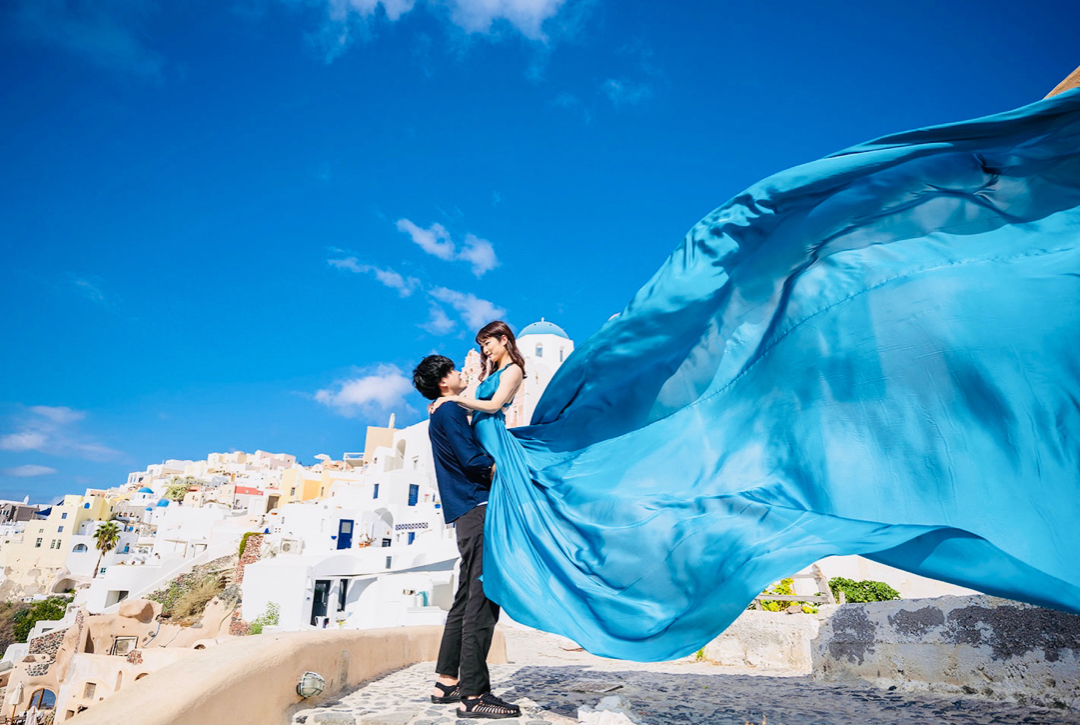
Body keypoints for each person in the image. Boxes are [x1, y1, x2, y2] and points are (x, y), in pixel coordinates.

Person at [438, 90, 1080, 664]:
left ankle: (460, 678)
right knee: (481, 587)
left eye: (493, 339)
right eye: (483, 343)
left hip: (516, 460)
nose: (489, 347)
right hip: (507, 473)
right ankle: (457, 678)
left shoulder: (514, 374)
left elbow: (496, 414)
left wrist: (474, 399)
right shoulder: (482, 388)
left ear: (508, 343)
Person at [412, 354, 521, 719]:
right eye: (455, 371)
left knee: (464, 599)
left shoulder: (444, 412)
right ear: (444, 381)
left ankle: (447, 681)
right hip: (478, 508)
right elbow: (473, 460)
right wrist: (514, 476)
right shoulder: (450, 412)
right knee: (483, 598)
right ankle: (474, 695)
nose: (461, 373)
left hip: (465, 513)